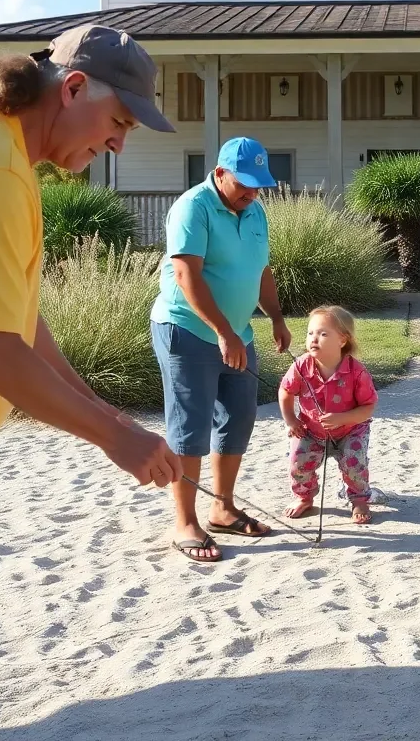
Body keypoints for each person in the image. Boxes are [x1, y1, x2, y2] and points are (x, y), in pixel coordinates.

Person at [0, 24, 183, 741]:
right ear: (72, 88)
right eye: (118, 122)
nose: (118, 144)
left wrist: (102, 409)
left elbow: (19, 322)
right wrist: (116, 437)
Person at [150, 136, 292, 562]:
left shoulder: (255, 211)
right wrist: (223, 332)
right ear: (219, 174)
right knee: (189, 425)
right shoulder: (192, 207)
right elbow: (185, 275)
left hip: (239, 333)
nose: (253, 191)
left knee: (237, 418)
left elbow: (261, 269)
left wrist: (277, 316)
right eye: (245, 182)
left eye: (259, 184)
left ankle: (223, 508)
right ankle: (185, 522)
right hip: (188, 331)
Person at [279, 306, 379, 526]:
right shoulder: (301, 366)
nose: (314, 338)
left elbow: (368, 407)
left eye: (323, 334)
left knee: (354, 463)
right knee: (298, 463)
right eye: (310, 333)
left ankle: (360, 500)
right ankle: (304, 497)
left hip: (350, 429)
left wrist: (342, 419)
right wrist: (291, 419)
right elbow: (285, 391)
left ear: (342, 340)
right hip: (310, 430)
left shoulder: (356, 371)